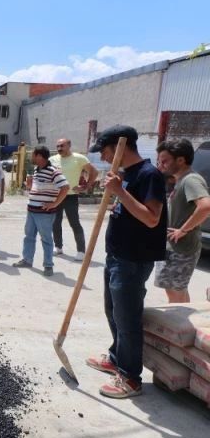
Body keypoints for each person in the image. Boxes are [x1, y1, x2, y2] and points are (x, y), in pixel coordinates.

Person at [85, 125, 167, 399]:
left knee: (127, 318)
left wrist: (120, 193)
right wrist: (118, 200)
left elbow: (152, 218)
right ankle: (116, 357)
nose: (104, 157)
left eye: (105, 151)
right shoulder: (126, 175)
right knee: (113, 311)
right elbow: (131, 210)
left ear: (120, 146)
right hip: (117, 255)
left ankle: (130, 377)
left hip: (134, 259)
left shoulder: (149, 175)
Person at [153, 139, 210, 303]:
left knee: (174, 292)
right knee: (178, 289)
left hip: (182, 248)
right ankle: (184, 324)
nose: (161, 165)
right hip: (176, 247)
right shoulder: (182, 179)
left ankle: (180, 326)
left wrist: (183, 230)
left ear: (180, 160)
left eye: (165, 161)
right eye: (159, 161)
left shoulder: (191, 179)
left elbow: (206, 207)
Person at [12, 146, 69, 276]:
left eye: (33, 155)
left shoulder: (53, 171)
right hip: (31, 210)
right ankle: (27, 259)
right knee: (29, 237)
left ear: (39, 156)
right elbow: (36, 189)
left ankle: (48, 265)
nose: (31, 157)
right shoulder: (36, 170)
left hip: (44, 213)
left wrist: (55, 203)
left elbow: (65, 187)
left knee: (46, 239)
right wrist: (29, 184)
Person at [50, 138, 98, 260]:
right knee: (55, 222)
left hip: (71, 196)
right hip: (56, 195)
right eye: (58, 146)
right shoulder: (52, 160)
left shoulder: (79, 158)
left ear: (69, 146)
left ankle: (81, 251)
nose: (59, 148)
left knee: (74, 223)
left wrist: (86, 186)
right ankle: (58, 247)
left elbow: (94, 172)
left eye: (62, 146)